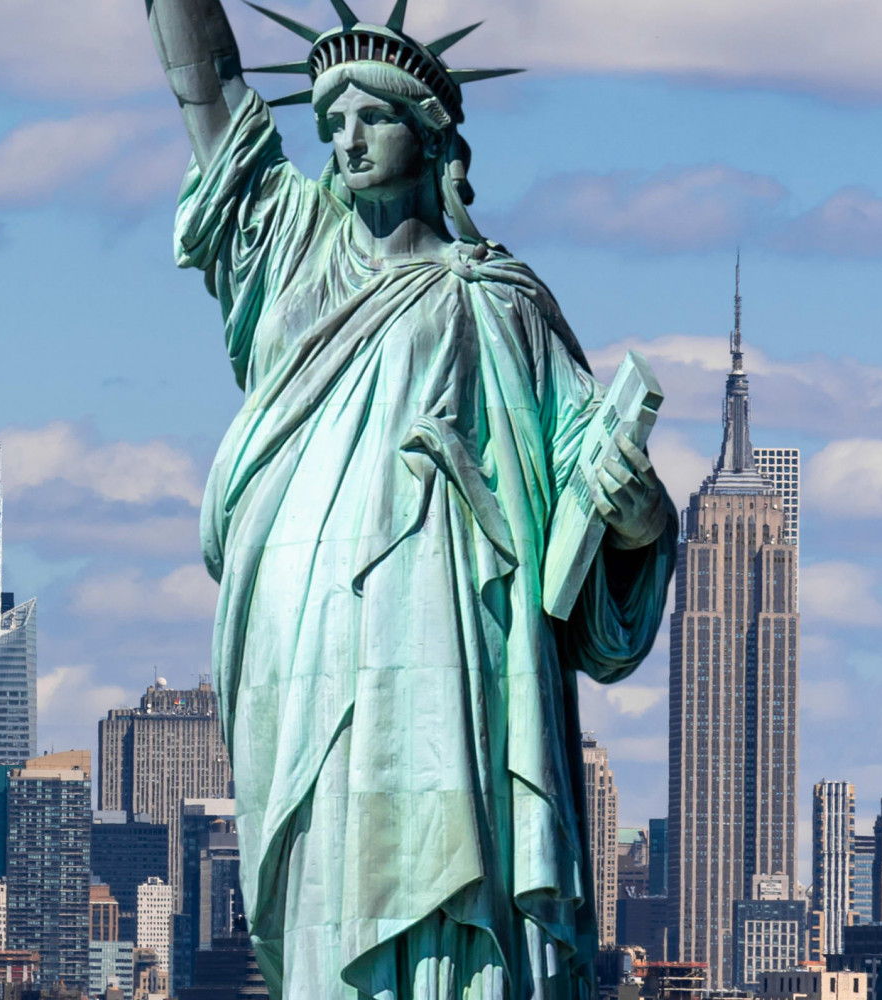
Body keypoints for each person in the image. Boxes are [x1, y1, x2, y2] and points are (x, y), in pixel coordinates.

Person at [141, 4, 680, 1000]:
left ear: (428, 136)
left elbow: (593, 499)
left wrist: (638, 513)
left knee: (449, 887)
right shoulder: (290, 257)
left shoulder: (498, 302)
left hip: (455, 662)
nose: (342, 136)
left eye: (369, 116)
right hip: (302, 658)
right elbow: (207, 89)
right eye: (329, 117)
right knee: (320, 912)